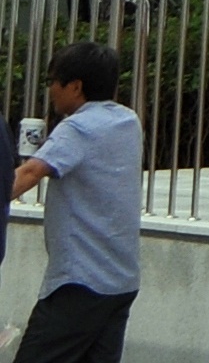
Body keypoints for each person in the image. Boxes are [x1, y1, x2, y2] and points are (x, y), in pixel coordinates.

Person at [12, 39, 139, 363]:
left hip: (80, 283)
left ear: (76, 86)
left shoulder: (78, 128)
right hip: (121, 282)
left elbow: (29, 173)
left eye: (53, 81)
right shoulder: (128, 121)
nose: (51, 90)